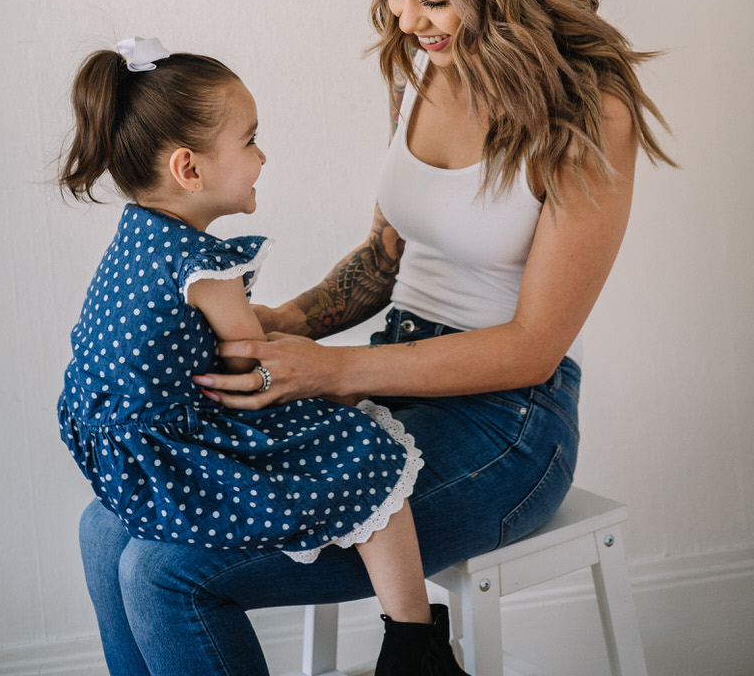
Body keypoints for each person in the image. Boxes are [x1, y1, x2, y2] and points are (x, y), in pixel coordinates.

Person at [76, 0, 674, 676]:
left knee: (166, 575)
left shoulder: (587, 111)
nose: (405, 18)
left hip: (507, 424)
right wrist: (284, 327)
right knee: (104, 529)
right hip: (386, 370)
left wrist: (331, 371)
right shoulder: (418, 71)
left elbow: (533, 344)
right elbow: (381, 261)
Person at [57, 36, 468, 676]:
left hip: (128, 454)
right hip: (183, 445)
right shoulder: (203, 265)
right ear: (189, 170)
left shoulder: (138, 236)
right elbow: (252, 360)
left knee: (102, 533)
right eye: (250, 140)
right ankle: (416, 638)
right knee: (364, 451)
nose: (263, 155)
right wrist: (345, 386)